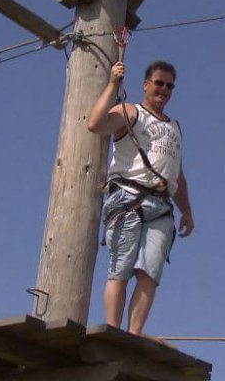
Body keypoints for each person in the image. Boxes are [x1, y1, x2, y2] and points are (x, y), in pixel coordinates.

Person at [87, 60, 194, 336]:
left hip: (161, 204)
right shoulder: (132, 112)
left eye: (170, 86)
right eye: (159, 83)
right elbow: (95, 123)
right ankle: (113, 331)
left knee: (150, 274)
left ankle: (133, 335)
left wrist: (188, 213)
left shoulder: (175, 127)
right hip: (128, 197)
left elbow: (177, 175)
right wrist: (112, 83)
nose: (164, 89)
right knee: (120, 269)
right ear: (146, 84)